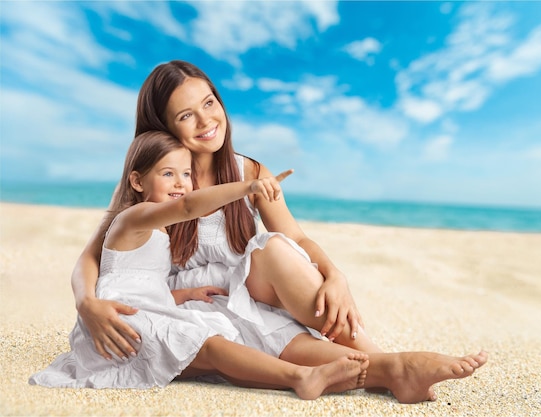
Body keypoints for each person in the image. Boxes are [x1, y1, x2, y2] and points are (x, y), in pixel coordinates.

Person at [71, 60, 488, 403]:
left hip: (247, 295)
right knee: (294, 352)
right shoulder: (156, 181)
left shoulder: (249, 170)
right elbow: (96, 256)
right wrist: (88, 303)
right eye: (186, 115)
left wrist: (335, 275)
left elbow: (298, 239)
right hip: (187, 306)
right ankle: (395, 370)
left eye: (210, 103)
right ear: (162, 126)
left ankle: (385, 359)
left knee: (274, 248)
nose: (205, 120)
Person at [29, 130, 369, 399]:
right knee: (210, 345)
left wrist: (184, 294)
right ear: (136, 181)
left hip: (144, 310)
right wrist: (248, 187)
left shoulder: (156, 230)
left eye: (186, 174)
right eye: (168, 174)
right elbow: (189, 207)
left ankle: (344, 367)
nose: (180, 183)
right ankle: (300, 377)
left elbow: (142, 284)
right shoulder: (135, 216)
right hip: (116, 319)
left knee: (211, 343)